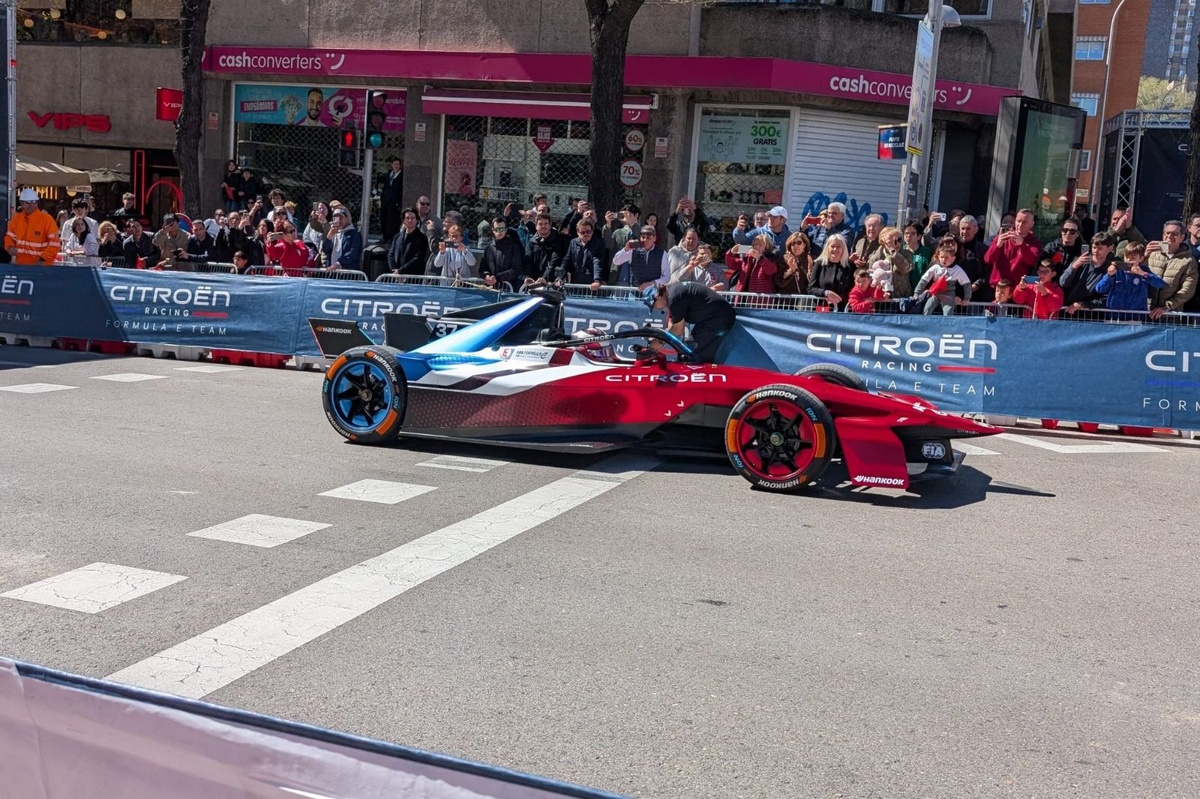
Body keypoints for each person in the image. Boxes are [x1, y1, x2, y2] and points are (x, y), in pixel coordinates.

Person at [642, 281, 736, 364]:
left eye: (654, 306)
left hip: (719, 320)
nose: (656, 309)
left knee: (693, 355)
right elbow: (672, 324)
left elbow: (678, 330)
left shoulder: (674, 298)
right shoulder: (672, 293)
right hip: (711, 319)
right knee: (687, 349)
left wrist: (657, 343)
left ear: (658, 297)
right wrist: (660, 339)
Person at [1095, 242, 1165, 317]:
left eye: (1133, 258)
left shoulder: (1144, 270)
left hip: (1136, 317)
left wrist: (1143, 274)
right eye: (1126, 257)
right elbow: (1099, 289)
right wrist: (1109, 276)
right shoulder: (1117, 270)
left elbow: (1160, 284)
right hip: (1115, 316)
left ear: (1141, 258)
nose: (1129, 260)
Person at [1147, 219, 1199, 319]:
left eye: (1175, 234)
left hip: (1170, 315)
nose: (1170, 236)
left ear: (1182, 237)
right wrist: (1144, 256)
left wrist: (1167, 306)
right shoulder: (1152, 254)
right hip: (1145, 312)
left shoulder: (1188, 261)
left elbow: (1188, 290)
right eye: (1167, 233)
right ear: (1163, 235)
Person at [1059, 231, 1115, 315]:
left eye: (1100, 248)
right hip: (1069, 310)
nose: (1096, 251)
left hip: (1093, 315)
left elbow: (1106, 298)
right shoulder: (1079, 261)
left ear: (1110, 248)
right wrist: (1074, 266)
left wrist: (1083, 304)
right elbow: (1063, 282)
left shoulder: (1111, 269)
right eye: (1094, 247)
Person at [914, 238, 973, 315]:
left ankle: (947, 326)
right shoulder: (935, 267)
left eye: (946, 257)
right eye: (941, 257)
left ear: (953, 258)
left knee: (948, 312)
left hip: (949, 294)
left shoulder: (957, 270)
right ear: (938, 257)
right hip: (935, 293)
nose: (943, 260)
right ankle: (926, 324)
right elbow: (924, 279)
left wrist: (966, 298)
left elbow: (966, 283)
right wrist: (917, 292)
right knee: (927, 308)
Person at [985, 208, 1040, 287]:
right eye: (1018, 221)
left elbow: (1032, 261)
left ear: (1032, 224)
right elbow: (988, 260)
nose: (1020, 225)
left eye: (1025, 222)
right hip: (999, 287)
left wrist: (1022, 244)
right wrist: (998, 245)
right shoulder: (1003, 236)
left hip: (1018, 288)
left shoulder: (1034, 242)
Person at [5, 189, 60, 265]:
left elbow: (55, 244)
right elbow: (9, 237)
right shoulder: (16, 219)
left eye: (34, 202)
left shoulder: (47, 220)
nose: (31, 205)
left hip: (42, 267)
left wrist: (42, 260)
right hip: (21, 265)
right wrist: (10, 247)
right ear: (22, 203)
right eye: (28, 202)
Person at [612, 224, 669, 289]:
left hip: (653, 293)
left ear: (654, 238)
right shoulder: (633, 250)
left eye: (648, 238)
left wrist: (651, 283)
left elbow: (666, 277)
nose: (645, 240)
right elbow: (616, 261)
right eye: (643, 237)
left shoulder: (662, 253)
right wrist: (626, 249)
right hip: (635, 292)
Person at [809, 233, 855, 309]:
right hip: (822, 307)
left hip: (843, 309)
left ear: (843, 248)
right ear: (827, 248)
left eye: (838, 247)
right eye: (832, 246)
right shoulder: (819, 264)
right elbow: (811, 288)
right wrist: (826, 293)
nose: (835, 249)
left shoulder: (850, 265)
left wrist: (838, 298)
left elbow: (853, 288)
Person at [480, 216, 526, 289]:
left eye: (501, 229)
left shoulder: (514, 247)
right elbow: (483, 268)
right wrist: (486, 275)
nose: (499, 232)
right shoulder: (488, 249)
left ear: (506, 230)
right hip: (491, 288)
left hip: (508, 288)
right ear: (493, 230)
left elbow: (516, 269)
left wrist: (497, 277)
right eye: (497, 229)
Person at [527, 212, 567, 287]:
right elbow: (528, 261)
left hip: (551, 282)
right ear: (536, 226)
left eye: (546, 223)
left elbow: (554, 261)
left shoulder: (558, 240)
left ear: (550, 225)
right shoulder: (531, 242)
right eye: (540, 224)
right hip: (534, 281)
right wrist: (529, 277)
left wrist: (544, 278)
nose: (543, 226)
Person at [560, 221, 605, 287]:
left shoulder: (598, 244)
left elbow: (597, 262)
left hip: (592, 285)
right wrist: (560, 277)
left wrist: (597, 280)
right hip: (575, 283)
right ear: (578, 233)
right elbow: (567, 260)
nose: (586, 234)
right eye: (583, 232)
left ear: (592, 232)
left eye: (588, 232)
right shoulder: (573, 243)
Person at [387, 207, 431, 275]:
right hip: (395, 276)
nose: (410, 220)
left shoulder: (422, 238)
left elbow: (418, 258)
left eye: (413, 218)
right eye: (407, 218)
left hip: (412, 277)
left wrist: (400, 271)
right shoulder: (397, 237)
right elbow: (391, 255)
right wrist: (394, 271)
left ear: (417, 220)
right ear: (403, 220)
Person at [875, 225, 913, 297]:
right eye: (892, 241)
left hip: (901, 297)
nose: (897, 243)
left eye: (899, 240)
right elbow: (871, 269)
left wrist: (894, 252)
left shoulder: (907, 253)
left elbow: (905, 269)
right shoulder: (878, 255)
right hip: (882, 298)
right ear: (883, 242)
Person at [380, 156, 404, 242]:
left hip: (395, 202)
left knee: (393, 220)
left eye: (398, 164)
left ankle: (392, 237)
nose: (396, 166)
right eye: (394, 164)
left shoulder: (402, 176)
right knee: (384, 218)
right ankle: (385, 236)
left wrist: (398, 201)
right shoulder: (388, 174)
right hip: (386, 201)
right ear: (392, 165)